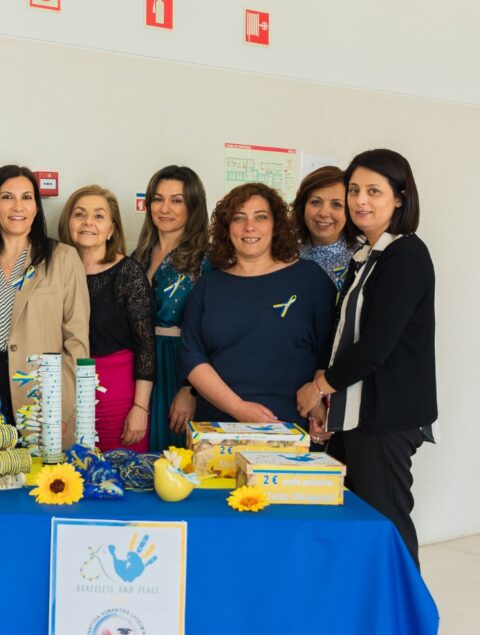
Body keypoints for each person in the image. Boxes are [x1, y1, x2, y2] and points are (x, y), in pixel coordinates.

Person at [296, 149, 437, 567]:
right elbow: (341, 336)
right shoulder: (366, 256)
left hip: (386, 416)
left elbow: (375, 347)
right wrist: (327, 399)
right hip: (356, 413)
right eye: (354, 190)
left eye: (374, 191)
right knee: (355, 523)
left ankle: (406, 620)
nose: (360, 200)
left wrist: (317, 387)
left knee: (386, 525)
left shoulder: (406, 255)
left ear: (400, 197)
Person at [180, 183, 334, 431]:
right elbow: (192, 357)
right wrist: (239, 408)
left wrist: (318, 398)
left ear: (276, 226)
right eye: (239, 218)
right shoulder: (208, 287)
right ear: (227, 229)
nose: (249, 227)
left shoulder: (310, 279)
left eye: (260, 217)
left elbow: (329, 348)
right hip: (219, 427)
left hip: (291, 427)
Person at [0, 165, 90, 446]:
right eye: (7, 197)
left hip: (42, 395)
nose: (18, 206)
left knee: (44, 486)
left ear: (36, 207)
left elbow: (77, 342)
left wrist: (61, 408)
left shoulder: (62, 258)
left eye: (27, 197)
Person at [58, 184, 155, 452]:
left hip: (117, 396)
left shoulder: (128, 273)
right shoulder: (54, 271)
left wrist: (140, 408)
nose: (88, 222)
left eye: (99, 216)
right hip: (65, 392)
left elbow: (146, 348)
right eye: (79, 214)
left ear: (111, 229)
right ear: (68, 223)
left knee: (119, 478)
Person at [131, 165, 211, 451]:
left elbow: (213, 333)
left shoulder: (206, 260)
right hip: (139, 366)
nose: (165, 208)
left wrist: (192, 390)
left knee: (171, 457)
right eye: (158, 198)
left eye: (176, 200)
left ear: (193, 206)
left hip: (179, 367)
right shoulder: (138, 255)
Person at [292, 166, 357, 290]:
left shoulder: (362, 258)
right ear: (303, 206)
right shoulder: (285, 252)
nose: (324, 213)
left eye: (336, 204)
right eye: (315, 202)